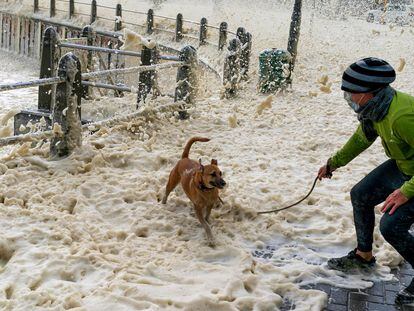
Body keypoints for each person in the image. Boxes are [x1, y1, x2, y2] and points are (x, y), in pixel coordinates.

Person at [318, 57, 414, 305]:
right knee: (361, 194)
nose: (348, 97)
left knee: (391, 226)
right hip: (404, 166)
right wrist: (333, 163)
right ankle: (363, 256)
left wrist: (407, 191)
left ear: (371, 93)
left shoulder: (402, 116)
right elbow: (362, 139)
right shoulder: (375, 109)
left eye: (351, 92)